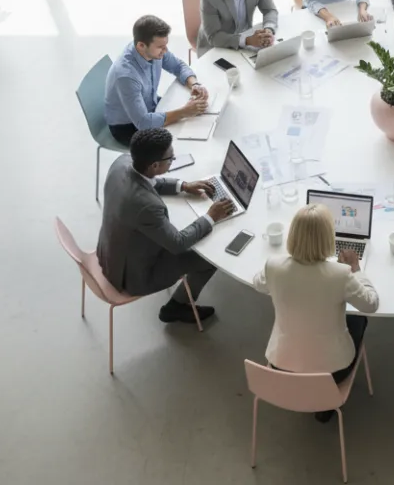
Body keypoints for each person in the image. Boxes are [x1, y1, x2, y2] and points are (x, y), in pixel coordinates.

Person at [253, 204, 379, 422]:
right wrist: (357, 269)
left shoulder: (273, 266)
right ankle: (323, 402)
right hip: (331, 373)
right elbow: (371, 304)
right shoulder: (341, 274)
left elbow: (258, 283)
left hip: (281, 366)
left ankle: (318, 400)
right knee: (359, 319)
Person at [97, 128, 235, 324]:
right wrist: (211, 216)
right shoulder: (146, 206)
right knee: (208, 259)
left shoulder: (123, 163)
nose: (173, 161)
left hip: (111, 252)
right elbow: (178, 243)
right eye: (170, 159)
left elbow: (148, 181)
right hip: (133, 276)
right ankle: (176, 307)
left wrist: (183, 186)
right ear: (154, 165)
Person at [104, 15, 210, 146]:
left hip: (149, 106)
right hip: (128, 127)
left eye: (165, 45)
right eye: (160, 47)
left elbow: (178, 66)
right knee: (178, 142)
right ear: (141, 45)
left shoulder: (152, 50)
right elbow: (144, 123)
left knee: (192, 117)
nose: (165, 51)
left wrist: (194, 83)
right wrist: (184, 112)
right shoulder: (126, 76)